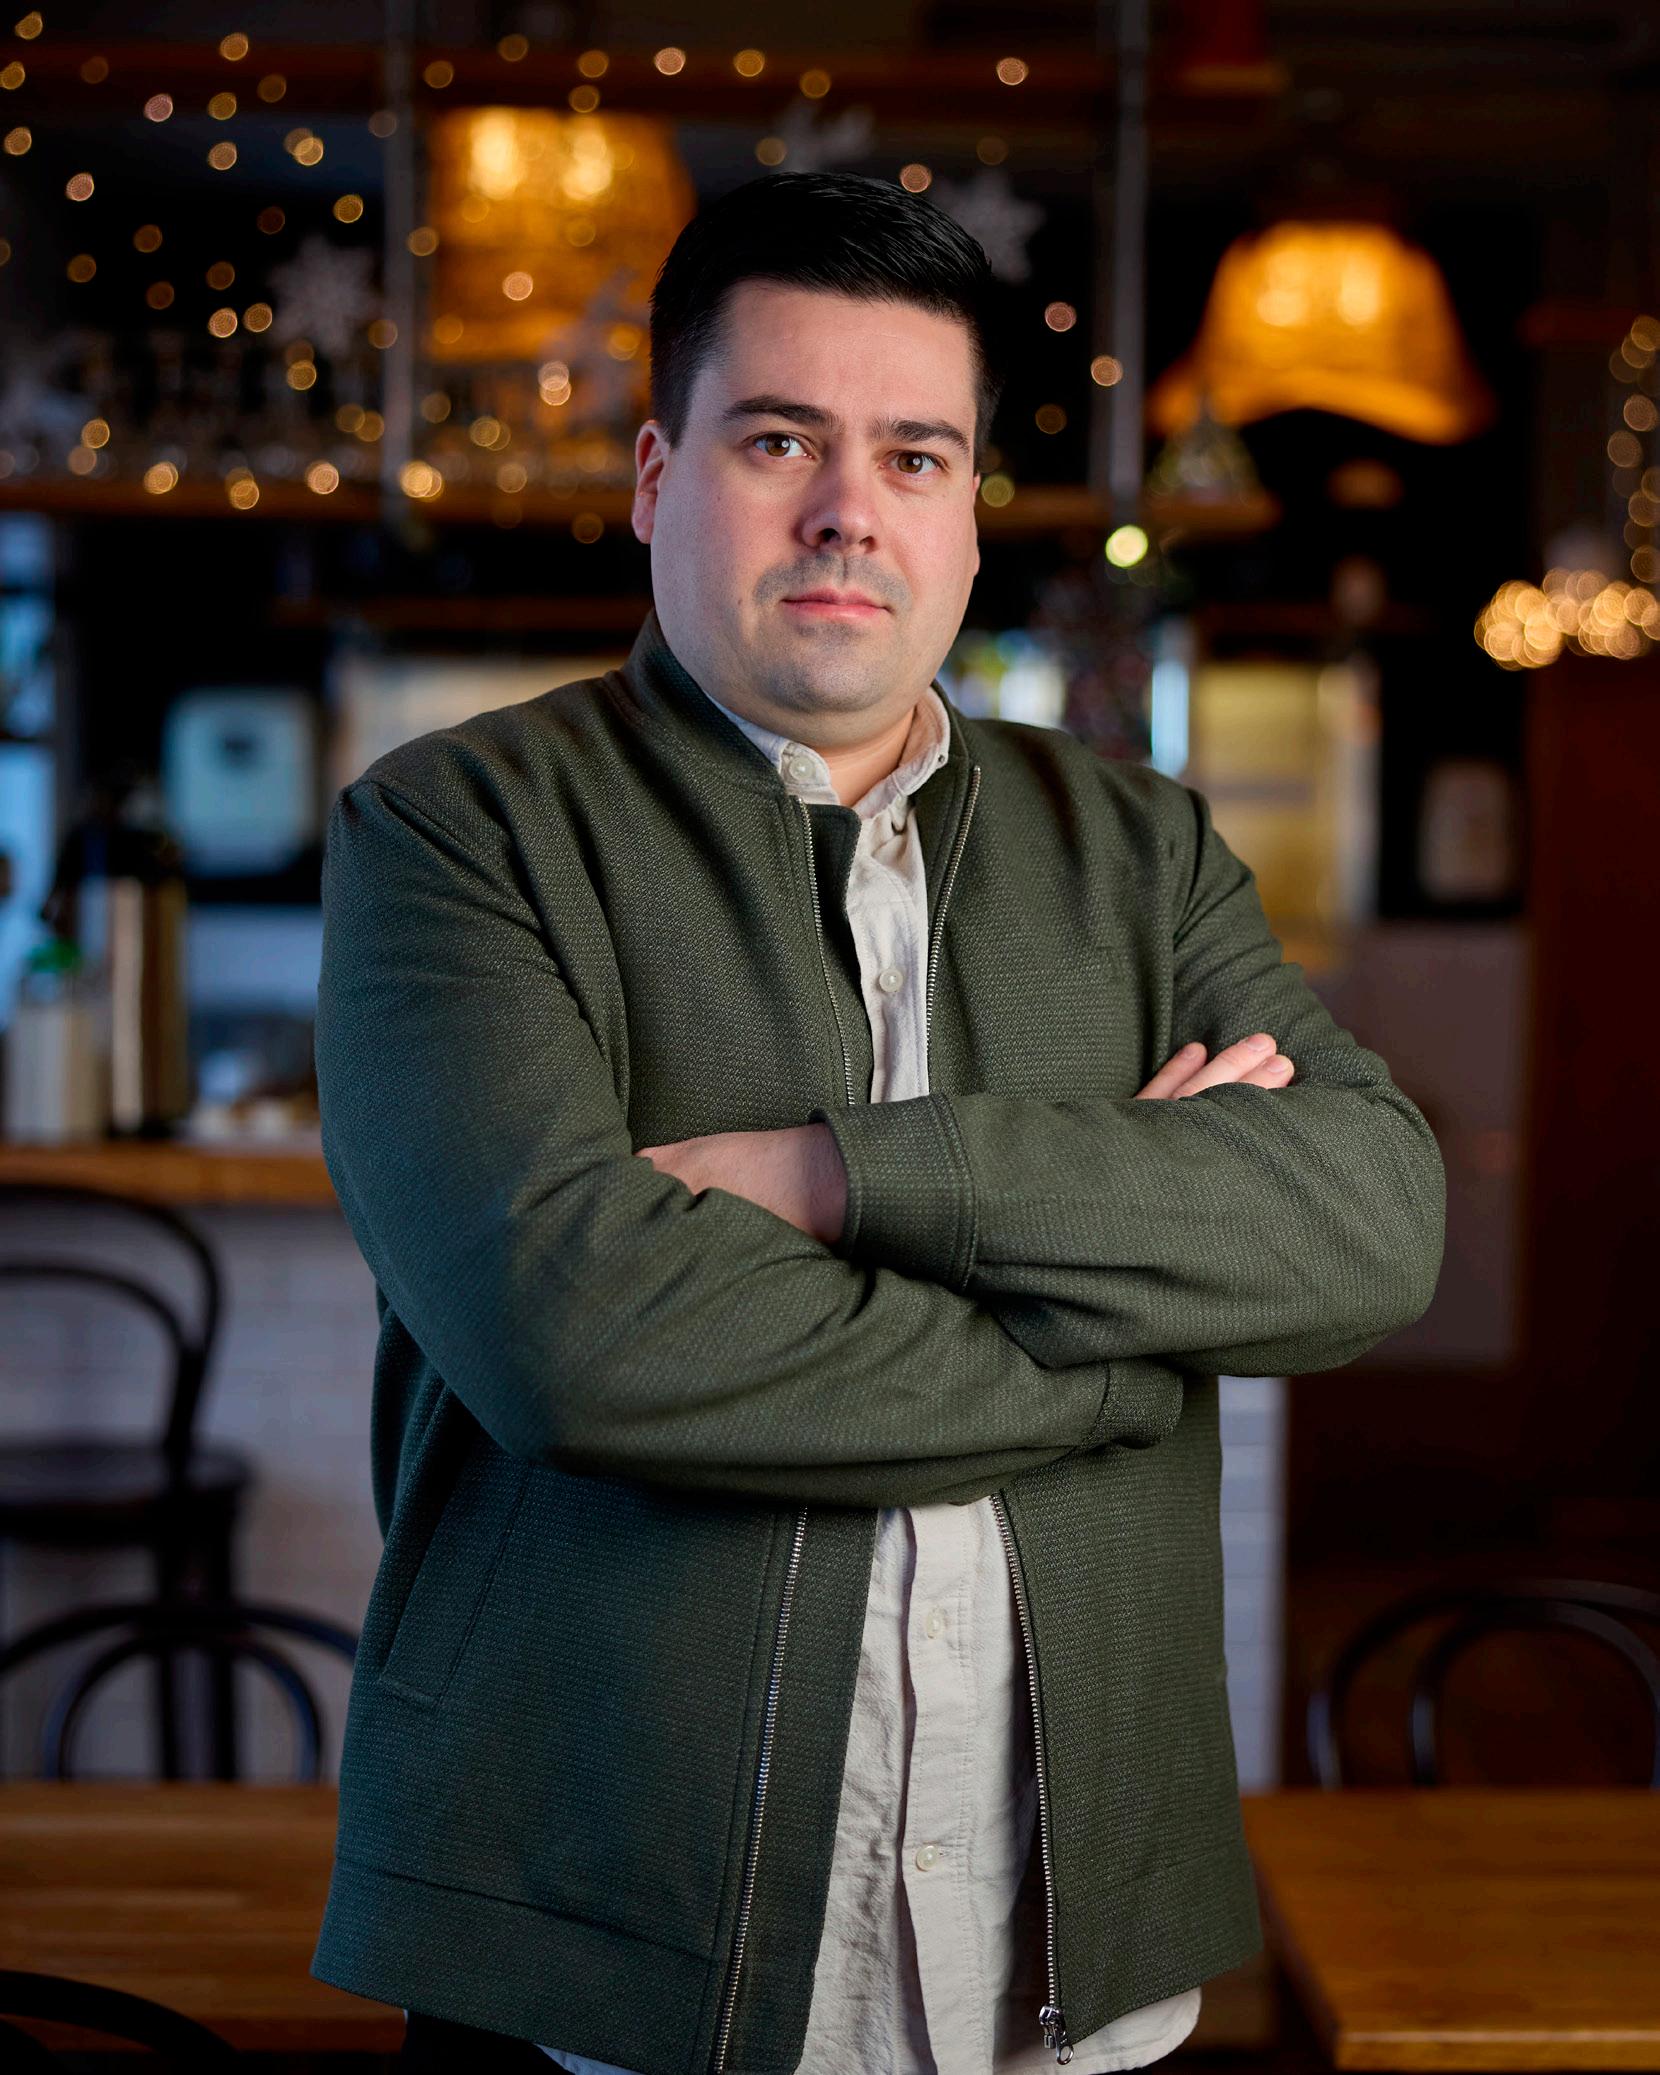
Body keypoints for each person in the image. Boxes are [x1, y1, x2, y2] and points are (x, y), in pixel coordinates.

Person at [309, 172, 1446, 2075]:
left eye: (915, 455)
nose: (850, 507)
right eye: (781, 441)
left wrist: (836, 1178)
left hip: (1064, 1961)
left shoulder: (1141, 851)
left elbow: (1373, 1217)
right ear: (658, 476)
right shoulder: (458, 830)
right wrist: (1123, 1353)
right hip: (607, 1958)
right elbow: (572, 1337)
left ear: (970, 512)